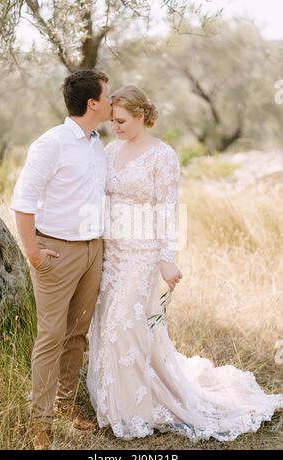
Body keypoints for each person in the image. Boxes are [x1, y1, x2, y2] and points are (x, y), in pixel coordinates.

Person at [87, 85, 283, 441]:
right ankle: (121, 402)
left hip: (143, 254)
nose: (114, 126)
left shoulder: (163, 155)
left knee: (122, 325)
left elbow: (168, 210)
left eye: (121, 120)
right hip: (111, 252)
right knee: (110, 326)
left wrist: (167, 259)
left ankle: (137, 409)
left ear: (141, 116)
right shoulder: (111, 149)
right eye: (112, 120)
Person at [11, 70, 112, 449]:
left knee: (77, 334)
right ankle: (40, 422)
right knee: (51, 336)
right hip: (56, 251)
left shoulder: (96, 144)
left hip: (93, 250)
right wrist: (33, 253)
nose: (113, 99)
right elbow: (22, 202)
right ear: (93, 103)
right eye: (109, 94)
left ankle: (66, 405)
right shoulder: (50, 144)